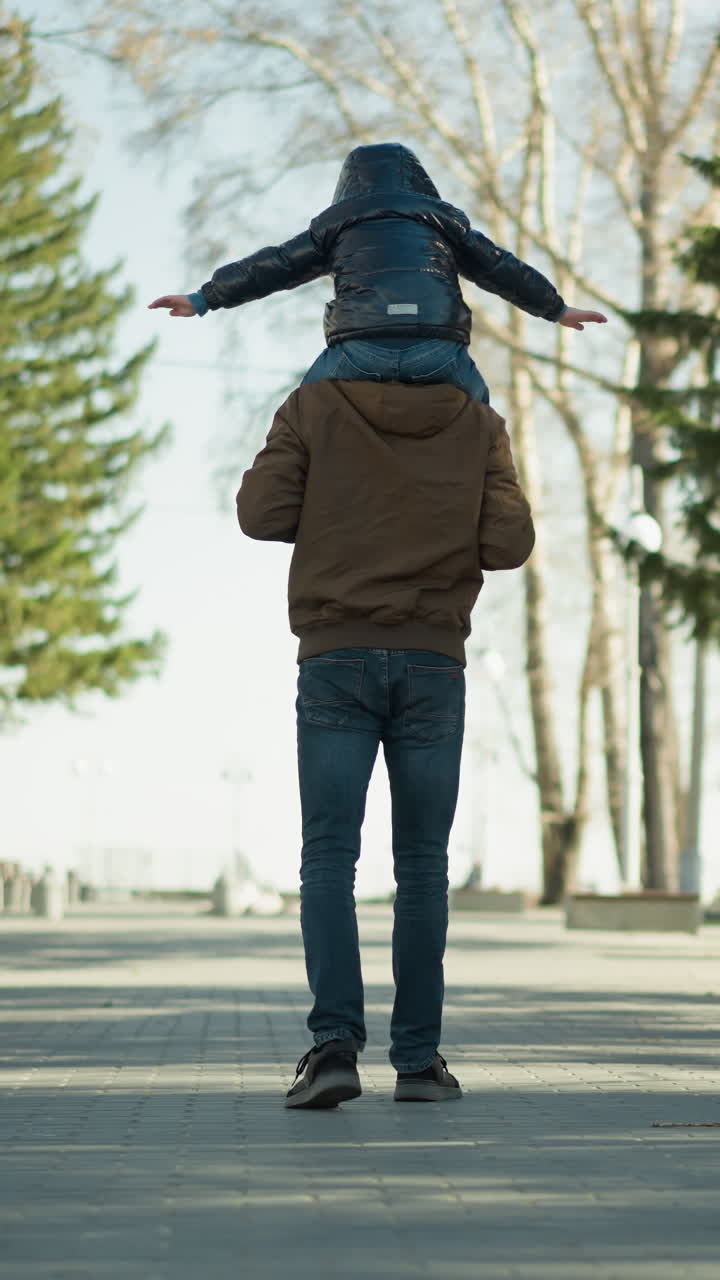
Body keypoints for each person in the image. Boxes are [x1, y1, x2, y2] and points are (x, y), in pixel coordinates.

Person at [235, 375, 536, 1107]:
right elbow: (510, 541)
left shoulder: (313, 406)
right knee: (424, 866)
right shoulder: (477, 421)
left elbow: (260, 512)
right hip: (433, 660)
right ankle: (418, 1063)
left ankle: (335, 1049)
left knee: (330, 858)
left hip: (336, 654)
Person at [148, 142, 606, 402]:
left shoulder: (333, 226)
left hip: (359, 351)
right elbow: (503, 269)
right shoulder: (445, 223)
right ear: (420, 183)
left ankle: (298, 487)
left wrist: (205, 298)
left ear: (347, 187)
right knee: (481, 415)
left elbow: (271, 267)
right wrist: (557, 309)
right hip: (438, 350)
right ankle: (492, 488)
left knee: (304, 411)